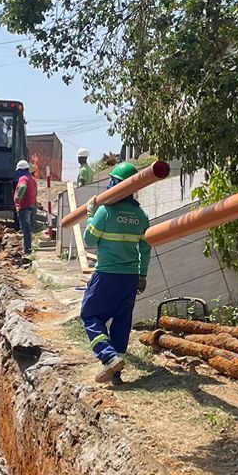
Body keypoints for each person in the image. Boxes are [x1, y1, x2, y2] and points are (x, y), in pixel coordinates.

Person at [81, 162, 150, 382]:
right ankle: (116, 374)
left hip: (107, 275)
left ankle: (108, 356)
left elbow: (89, 241)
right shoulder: (141, 215)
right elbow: (145, 249)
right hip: (130, 278)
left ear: (115, 184)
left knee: (90, 315)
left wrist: (91, 216)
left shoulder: (105, 212)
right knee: (121, 322)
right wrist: (142, 275)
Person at [13, 160, 39, 260]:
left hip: (24, 207)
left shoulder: (23, 178)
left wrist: (19, 199)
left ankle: (27, 249)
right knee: (28, 228)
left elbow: (23, 187)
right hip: (31, 206)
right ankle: (28, 247)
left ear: (21, 170)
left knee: (25, 229)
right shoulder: (32, 179)